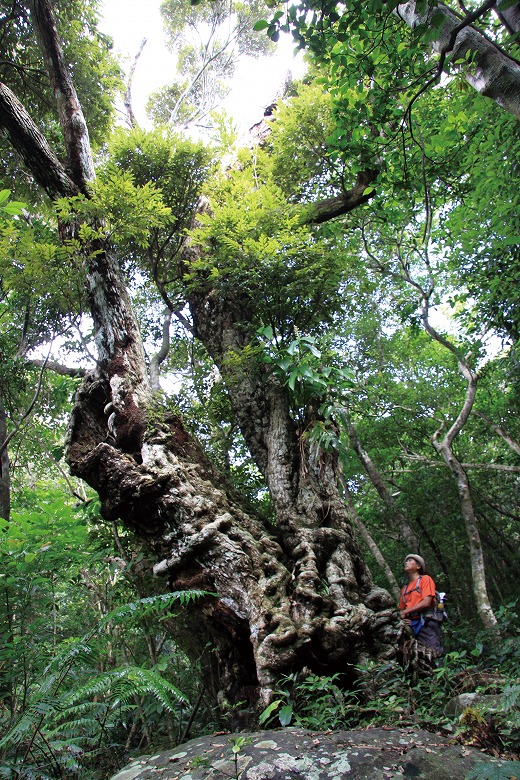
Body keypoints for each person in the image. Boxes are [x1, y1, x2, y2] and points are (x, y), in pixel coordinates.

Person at [399, 553, 443, 654]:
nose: (406, 562)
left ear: (418, 566)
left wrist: (405, 611)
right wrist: (405, 619)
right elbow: (402, 609)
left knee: (432, 652)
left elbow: (426, 602)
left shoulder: (425, 579)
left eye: (410, 561)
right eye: (406, 561)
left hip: (426, 623)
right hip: (410, 626)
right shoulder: (404, 589)